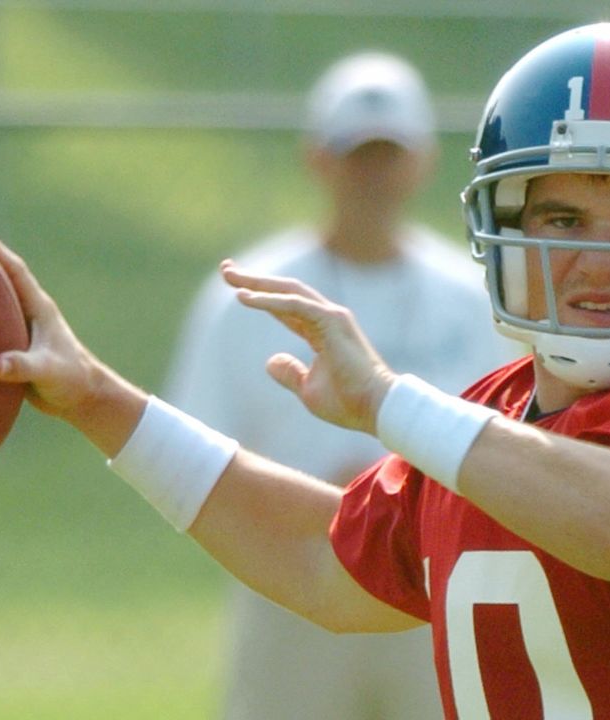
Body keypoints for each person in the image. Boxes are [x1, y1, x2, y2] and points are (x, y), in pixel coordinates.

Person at [0, 22, 610, 719]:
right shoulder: (488, 423)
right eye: (561, 220)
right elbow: (320, 560)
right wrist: (97, 400)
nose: (603, 259)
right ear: (502, 233)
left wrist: (396, 408)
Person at [163, 52, 515, 720]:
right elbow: (194, 442)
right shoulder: (250, 293)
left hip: (428, 581)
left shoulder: (469, 297)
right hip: (295, 573)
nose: (373, 176)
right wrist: (330, 500)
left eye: (388, 155)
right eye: (358, 155)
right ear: (318, 159)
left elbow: (506, 441)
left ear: (421, 163)